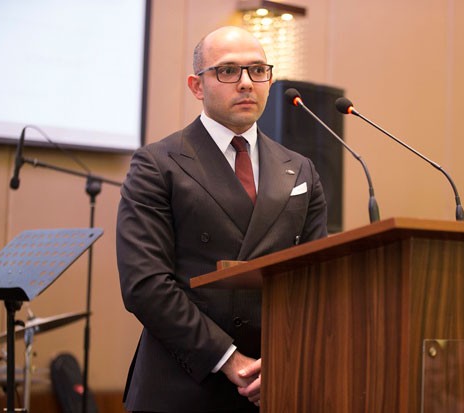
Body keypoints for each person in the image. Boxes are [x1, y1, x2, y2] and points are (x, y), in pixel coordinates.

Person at [116, 26, 328, 412]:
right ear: (197, 86)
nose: (246, 83)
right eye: (228, 71)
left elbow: (317, 282)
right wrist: (231, 361)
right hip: (183, 385)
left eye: (257, 70)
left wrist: (286, 360)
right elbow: (145, 285)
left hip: (274, 383)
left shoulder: (300, 169)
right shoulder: (157, 164)